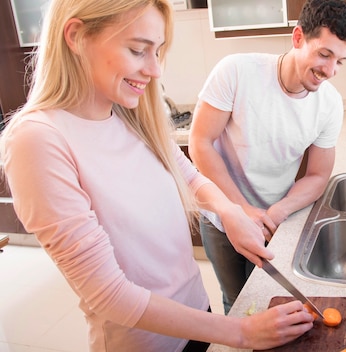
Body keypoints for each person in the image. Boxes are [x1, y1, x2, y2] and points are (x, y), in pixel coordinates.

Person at [0, 0, 314, 351]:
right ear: (76, 35)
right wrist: (238, 332)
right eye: (138, 51)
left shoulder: (130, 115)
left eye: (157, 52)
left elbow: (190, 179)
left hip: (196, 316)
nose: (154, 69)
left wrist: (228, 211)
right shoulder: (38, 140)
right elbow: (108, 294)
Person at [188, 0, 346, 314]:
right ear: (298, 38)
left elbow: (318, 176)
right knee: (236, 302)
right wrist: (240, 210)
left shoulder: (330, 104)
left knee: (270, 303)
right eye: (324, 54)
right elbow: (200, 142)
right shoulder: (236, 71)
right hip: (221, 215)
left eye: (340, 61)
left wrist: (277, 213)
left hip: (277, 221)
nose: (330, 70)